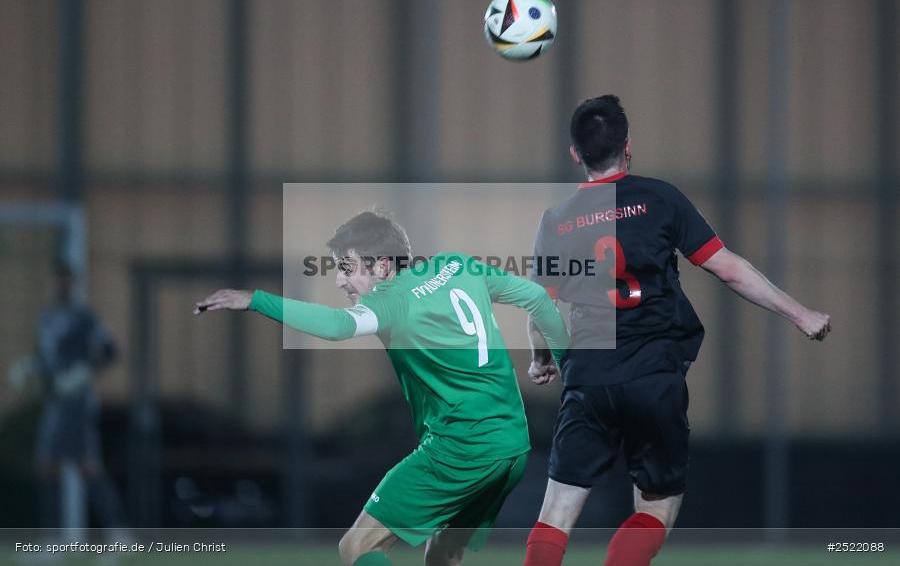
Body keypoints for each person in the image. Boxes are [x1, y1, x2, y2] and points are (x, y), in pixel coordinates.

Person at [521, 95, 832, 566]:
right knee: (657, 506)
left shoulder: (557, 221)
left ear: (575, 154)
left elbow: (538, 306)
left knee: (556, 513)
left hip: (589, 378)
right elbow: (727, 268)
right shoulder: (660, 199)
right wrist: (800, 314)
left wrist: (541, 357)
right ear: (628, 147)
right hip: (653, 376)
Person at [194, 210, 570, 566]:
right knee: (442, 555)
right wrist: (549, 357)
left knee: (357, 546)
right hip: (511, 447)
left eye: (348, 268)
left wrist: (256, 300)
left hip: (460, 450)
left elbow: (338, 326)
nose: (340, 280)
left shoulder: (393, 300)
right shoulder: (457, 265)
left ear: (384, 265)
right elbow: (537, 298)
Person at [9, 260, 128, 532]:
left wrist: (83, 373)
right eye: (58, 278)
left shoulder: (84, 317)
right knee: (68, 466)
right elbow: (47, 358)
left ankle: (109, 533)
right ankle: (110, 533)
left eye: (67, 279)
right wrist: (29, 367)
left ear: (73, 283)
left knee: (69, 465)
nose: (61, 284)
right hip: (55, 401)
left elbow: (110, 351)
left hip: (76, 402)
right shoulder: (47, 317)